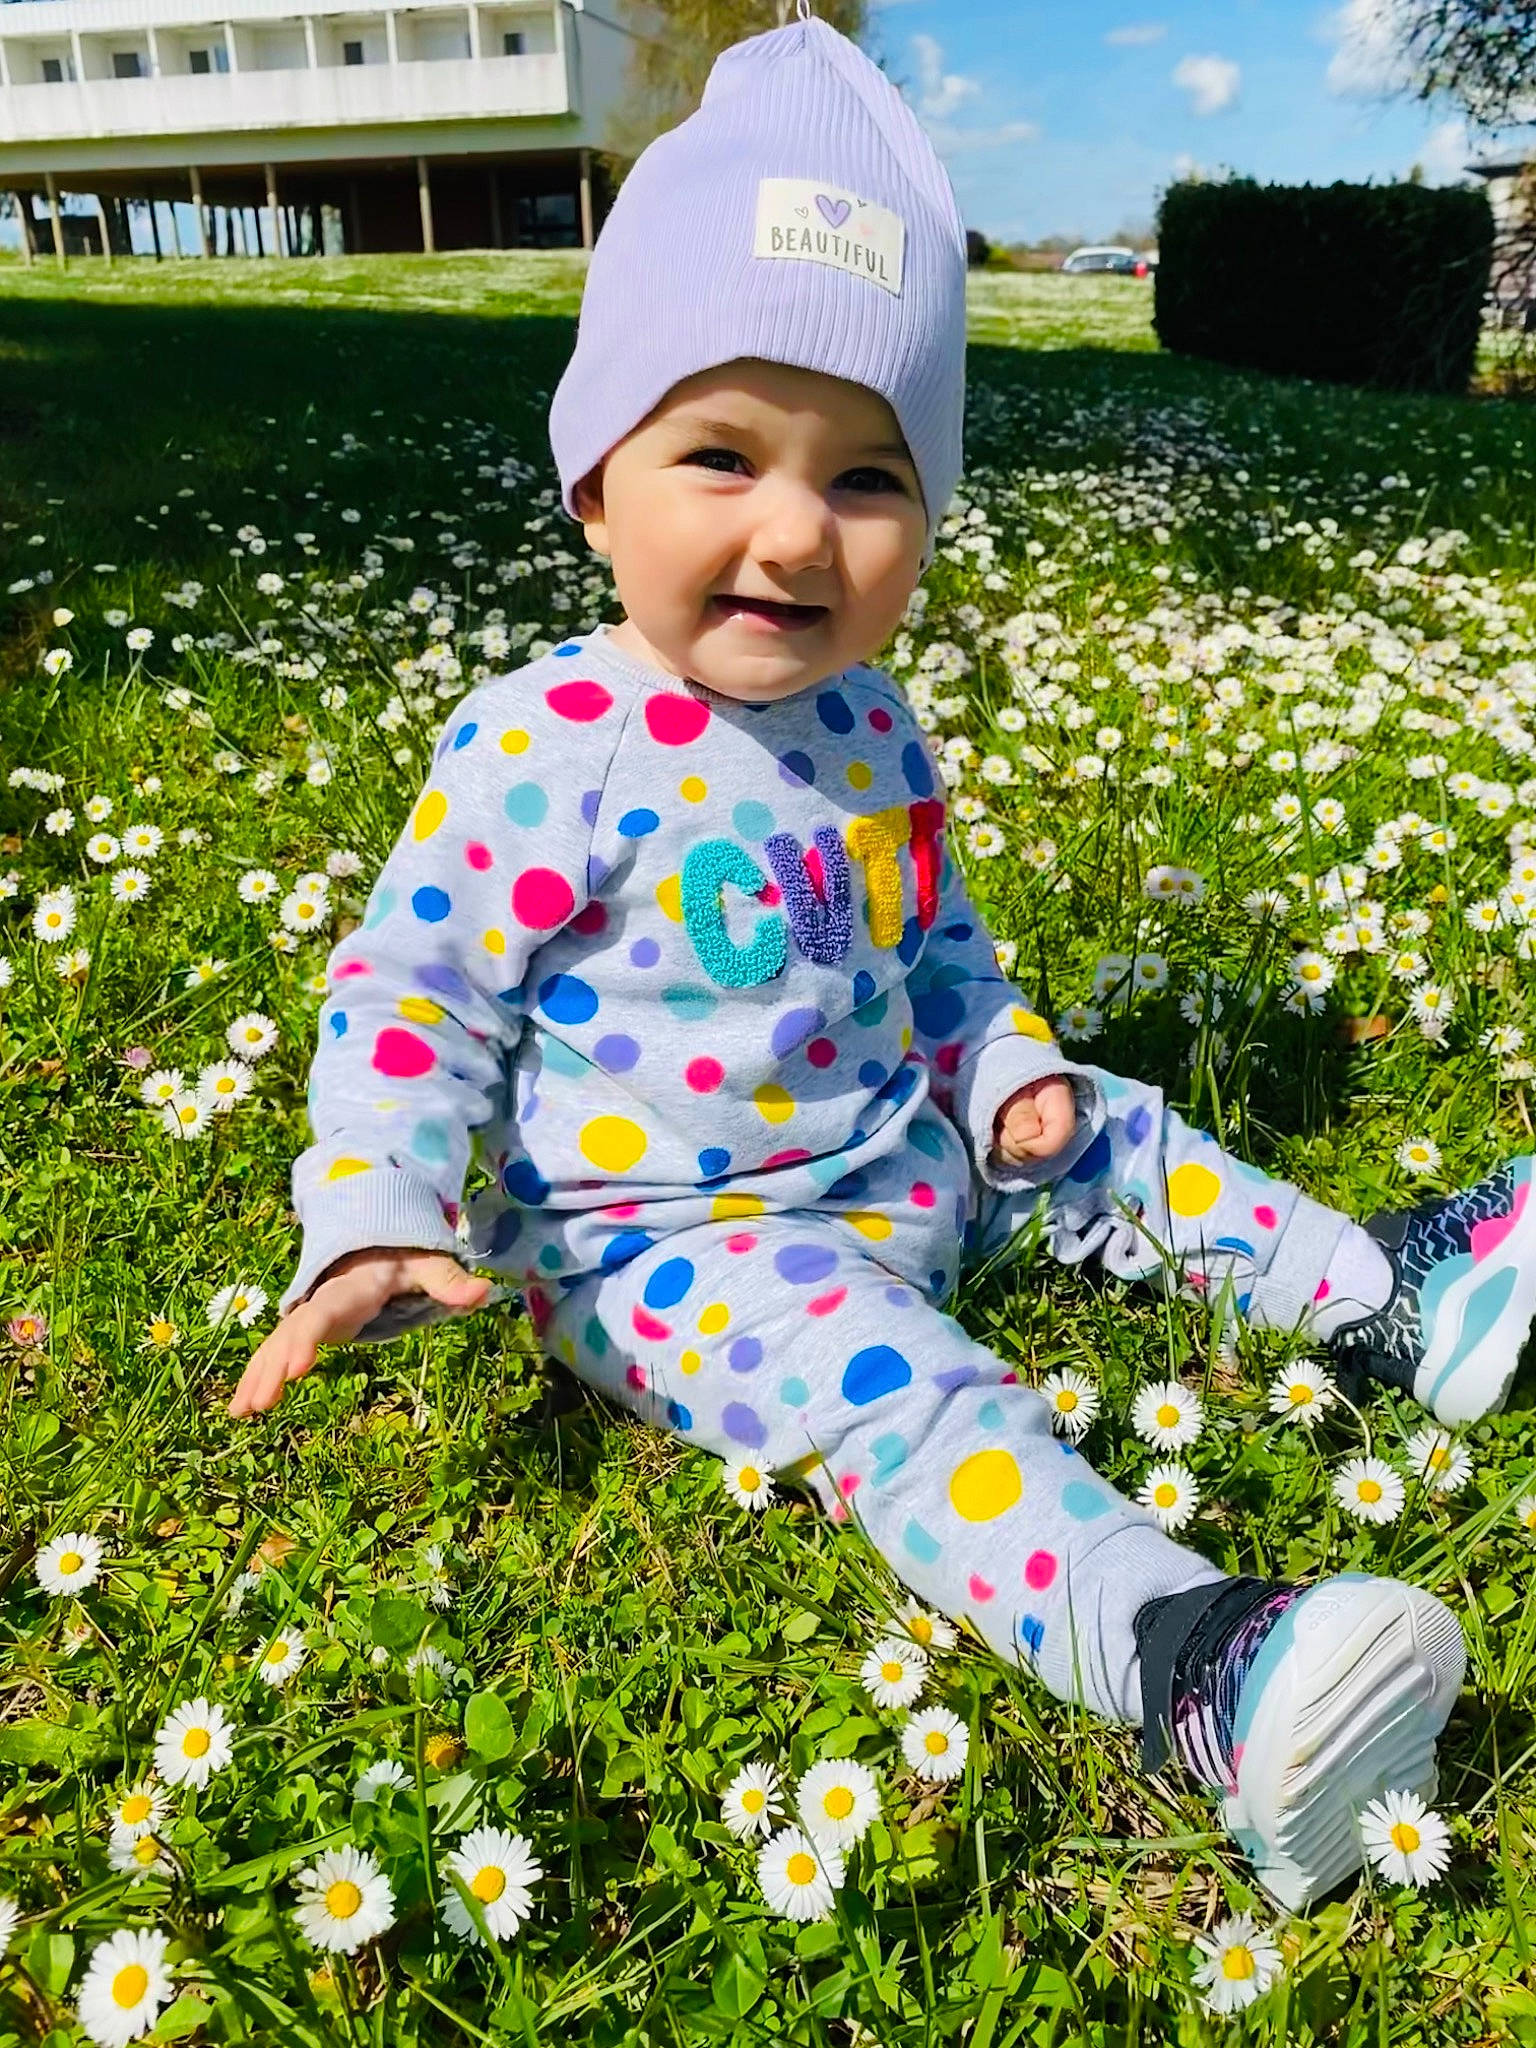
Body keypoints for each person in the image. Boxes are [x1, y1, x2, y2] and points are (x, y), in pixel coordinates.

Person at [227, 1, 1536, 1911]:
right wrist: (374, 1203)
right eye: (721, 454)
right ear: (595, 479)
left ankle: (1388, 1302)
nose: (794, 533)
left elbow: (940, 958)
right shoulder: (541, 744)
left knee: (1116, 1131)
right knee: (904, 1400)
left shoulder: (876, 727)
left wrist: (1005, 1066)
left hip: (905, 1144)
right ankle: (1192, 1664)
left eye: (867, 476)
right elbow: (412, 997)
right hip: (671, 1243)